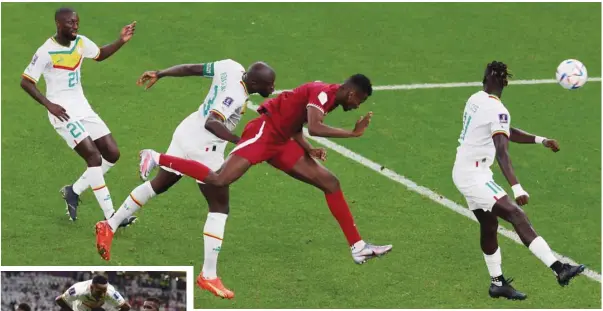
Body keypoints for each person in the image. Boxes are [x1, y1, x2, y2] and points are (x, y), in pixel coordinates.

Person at [127, 75, 393, 268]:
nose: (358, 106)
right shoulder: (324, 94)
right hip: (263, 134)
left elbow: (298, 123)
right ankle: (156, 156)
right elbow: (314, 126)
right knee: (220, 179)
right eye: (360, 100)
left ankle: (358, 248)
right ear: (350, 92)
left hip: (280, 141)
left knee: (330, 182)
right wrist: (352, 133)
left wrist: (308, 149)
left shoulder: (329, 97)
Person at [94, 59, 275, 300]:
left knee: (160, 184)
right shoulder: (235, 95)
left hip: (187, 129)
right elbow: (213, 122)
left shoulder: (231, 66)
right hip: (203, 147)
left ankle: (110, 224)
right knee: (219, 207)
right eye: (269, 85)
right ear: (253, 83)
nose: (272, 89)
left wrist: (161, 71)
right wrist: (239, 141)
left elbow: (193, 69)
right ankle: (209, 275)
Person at [452, 61, 585, 300]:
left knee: (489, 225)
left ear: (488, 80)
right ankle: (559, 269)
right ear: (504, 82)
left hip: (466, 170)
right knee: (516, 215)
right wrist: (516, 187)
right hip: (474, 175)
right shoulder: (495, 108)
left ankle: (497, 283)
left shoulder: (476, 99)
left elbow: (505, 130)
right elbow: (502, 150)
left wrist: (540, 140)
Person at [20, 7, 136, 227]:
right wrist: (49, 104)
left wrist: (121, 40)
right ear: (58, 24)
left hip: (82, 108)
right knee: (93, 157)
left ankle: (72, 191)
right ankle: (112, 217)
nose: (75, 26)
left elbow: (100, 55)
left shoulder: (80, 42)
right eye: (70, 23)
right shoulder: (46, 51)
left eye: (76, 22)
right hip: (62, 113)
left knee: (112, 153)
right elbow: (26, 81)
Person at [55, 275, 131, 311]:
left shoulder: (110, 292)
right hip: (80, 308)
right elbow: (59, 299)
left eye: (104, 291)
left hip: (96, 308)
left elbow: (126, 307)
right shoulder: (79, 290)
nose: (102, 295)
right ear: (91, 287)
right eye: (99, 292)